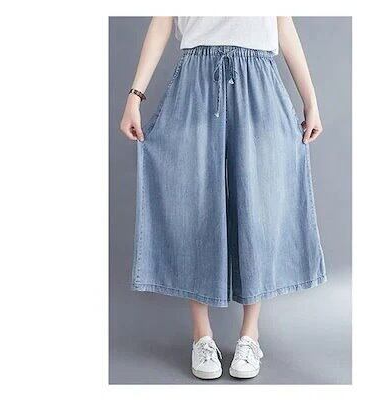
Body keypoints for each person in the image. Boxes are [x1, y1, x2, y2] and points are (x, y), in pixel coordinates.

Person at [120, 17, 326, 380]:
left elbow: (283, 23)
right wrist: (134, 96)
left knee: (258, 203)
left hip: (259, 78)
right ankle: (202, 336)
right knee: (194, 201)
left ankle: (250, 335)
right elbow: (163, 20)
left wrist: (311, 100)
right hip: (196, 79)